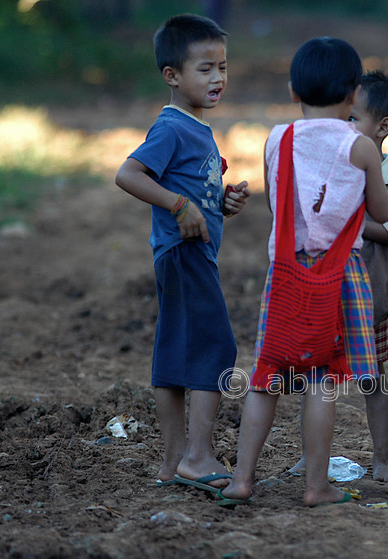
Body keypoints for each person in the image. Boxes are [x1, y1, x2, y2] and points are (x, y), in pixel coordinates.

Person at [219, 37, 388, 507]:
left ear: (294, 89)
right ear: (355, 94)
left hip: (286, 274)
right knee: (322, 380)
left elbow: (281, 206)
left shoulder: (278, 139)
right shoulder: (361, 148)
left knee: (267, 376)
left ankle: (241, 480)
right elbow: (382, 209)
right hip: (340, 277)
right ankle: (316, 486)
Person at [114, 13, 250, 492]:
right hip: (186, 254)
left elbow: (198, 197)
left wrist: (222, 204)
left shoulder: (197, 129)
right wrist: (178, 204)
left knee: (173, 357)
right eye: (205, 69)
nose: (218, 78)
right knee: (217, 347)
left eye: (222, 67)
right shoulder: (172, 128)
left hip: (181, 253)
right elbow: (128, 175)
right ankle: (198, 455)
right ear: (172, 75)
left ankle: (173, 462)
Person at [289, 70, 388, 483]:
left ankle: (382, 460)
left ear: (382, 127)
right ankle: (311, 460)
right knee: (315, 379)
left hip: (369, 299)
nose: (343, 127)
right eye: (343, 117)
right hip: (322, 294)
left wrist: (350, 222)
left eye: (352, 119)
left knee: (373, 380)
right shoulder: (329, 168)